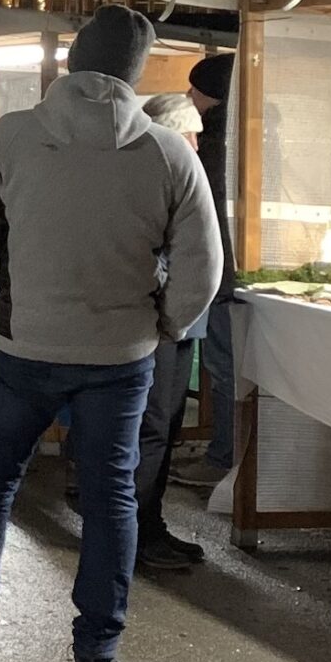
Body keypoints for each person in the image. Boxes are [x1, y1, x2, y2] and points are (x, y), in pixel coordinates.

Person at [0, 5, 222, 662]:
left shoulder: (15, 135)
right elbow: (204, 267)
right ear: (136, 74)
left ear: (72, 62)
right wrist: (164, 323)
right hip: (120, 357)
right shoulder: (168, 152)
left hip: (24, 346)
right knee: (110, 498)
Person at [131, 91, 217, 573]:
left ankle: (152, 523)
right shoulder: (153, 181)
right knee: (152, 426)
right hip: (159, 322)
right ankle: (137, 532)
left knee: (167, 426)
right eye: (189, 136)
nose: (196, 146)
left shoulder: (180, 176)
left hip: (181, 321)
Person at [185, 54, 238, 478]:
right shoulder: (249, 137)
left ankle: (224, 461)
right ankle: (229, 459)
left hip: (221, 274)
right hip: (241, 273)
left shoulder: (211, 146)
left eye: (196, 90)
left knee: (224, 368)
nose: (189, 97)